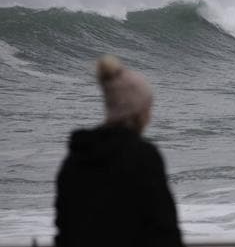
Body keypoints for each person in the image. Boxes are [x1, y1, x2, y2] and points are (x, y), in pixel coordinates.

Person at [54, 55, 183, 247]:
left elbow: (64, 231)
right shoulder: (143, 157)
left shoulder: (77, 157)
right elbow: (164, 231)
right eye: (148, 107)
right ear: (138, 112)